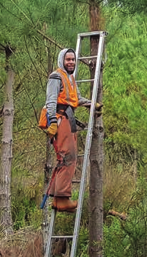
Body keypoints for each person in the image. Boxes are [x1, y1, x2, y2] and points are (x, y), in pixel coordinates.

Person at [44, 48, 89, 211]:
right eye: (68, 59)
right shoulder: (56, 76)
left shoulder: (70, 78)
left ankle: (58, 199)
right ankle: (62, 199)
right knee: (67, 156)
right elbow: (50, 101)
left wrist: (91, 103)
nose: (71, 62)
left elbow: (76, 99)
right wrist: (53, 122)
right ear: (62, 60)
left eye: (73, 59)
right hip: (60, 118)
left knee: (69, 156)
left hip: (68, 119)